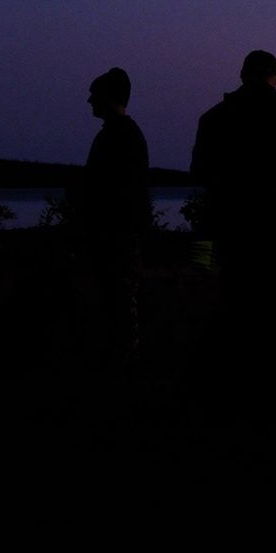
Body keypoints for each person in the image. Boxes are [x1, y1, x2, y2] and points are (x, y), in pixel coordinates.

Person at [190, 50, 276, 383]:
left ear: (242, 75)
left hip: (234, 231)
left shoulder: (215, 117)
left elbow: (200, 172)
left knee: (238, 302)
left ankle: (240, 379)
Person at [79, 67, 152, 361]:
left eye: (94, 95)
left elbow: (123, 188)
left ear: (109, 97)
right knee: (112, 292)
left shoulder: (122, 135)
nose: (89, 101)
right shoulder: (117, 134)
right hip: (114, 230)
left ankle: (123, 352)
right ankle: (118, 348)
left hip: (118, 232)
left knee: (119, 293)